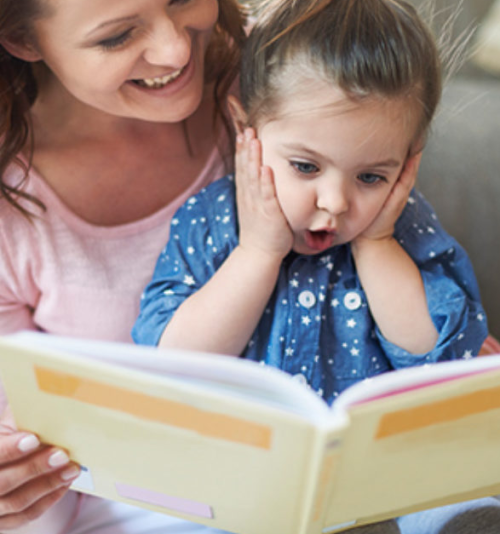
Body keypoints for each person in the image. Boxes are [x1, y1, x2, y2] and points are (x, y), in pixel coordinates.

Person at [132, 0, 500, 532]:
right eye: (305, 167)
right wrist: (258, 252)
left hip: (384, 471)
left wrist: (377, 244)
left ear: (408, 161)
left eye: (371, 177)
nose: (335, 202)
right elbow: (172, 362)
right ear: (245, 129)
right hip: (242, 471)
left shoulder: (403, 225)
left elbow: (437, 352)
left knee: (456, 488)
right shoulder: (211, 220)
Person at [0, 0, 249, 532]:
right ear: (23, 41)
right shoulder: (10, 204)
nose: (176, 48)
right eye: (116, 37)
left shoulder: (271, 78)